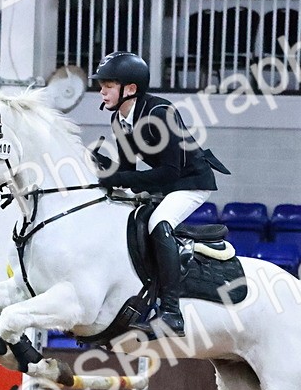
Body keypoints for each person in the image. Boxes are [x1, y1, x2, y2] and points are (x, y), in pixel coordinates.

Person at [90, 51, 229, 336]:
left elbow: (170, 172)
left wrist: (121, 176)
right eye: (101, 84)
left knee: (158, 223)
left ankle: (171, 313)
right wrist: (106, 170)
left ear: (130, 89)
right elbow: (128, 169)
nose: (101, 90)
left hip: (191, 182)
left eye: (108, 84)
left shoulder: (159, 113)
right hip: (167, 181)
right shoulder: (119, 119)